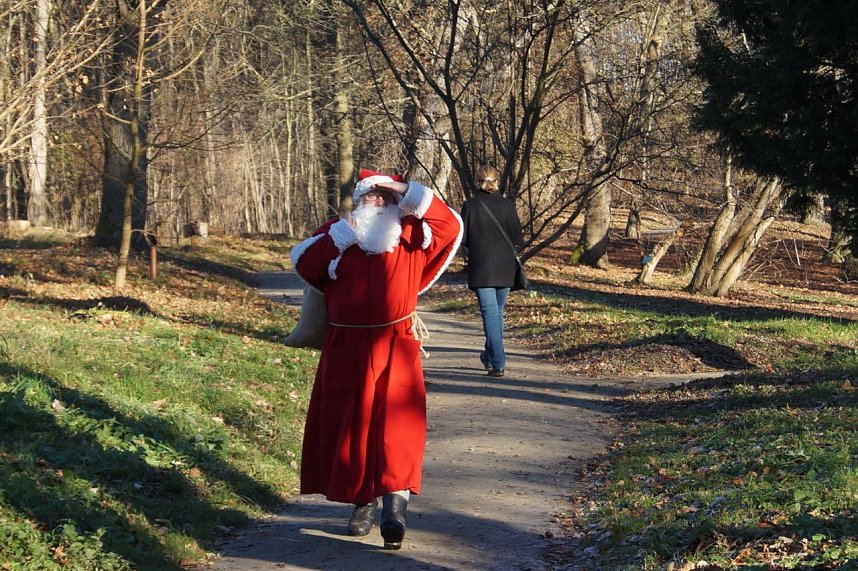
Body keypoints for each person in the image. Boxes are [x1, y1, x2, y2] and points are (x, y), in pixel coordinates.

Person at [290, 169, 463, 549]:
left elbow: (449, 225)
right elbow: (305, 266)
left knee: (397, 428)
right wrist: (340, 236)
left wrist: (405, 190)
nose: (378, 203)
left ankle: (395, 507)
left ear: (398, 203)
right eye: (372, 195)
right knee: (351, 427)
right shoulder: (336, 234)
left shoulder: (413, 237)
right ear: (358, 199)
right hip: (345, 348)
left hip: (396, 342)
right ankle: (361, 503)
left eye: (387, 198)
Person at [460, 165, 524, 378]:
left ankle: (498, 362)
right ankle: (490, 357)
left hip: (482, 268)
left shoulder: (471, 205)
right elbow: (517, 237)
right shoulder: (508, 205)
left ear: (477, 182)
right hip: (505, 268)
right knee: (496, 314)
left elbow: (465, 238)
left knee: (491, 315)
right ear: (497, 181)